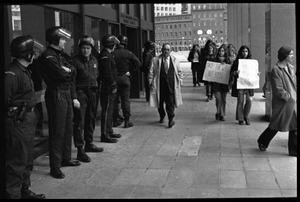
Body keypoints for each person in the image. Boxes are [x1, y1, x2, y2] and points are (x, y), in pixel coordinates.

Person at [5, 35, 45, 199]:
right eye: (33, 52)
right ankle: (13, 195)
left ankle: (24, 191)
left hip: (27, 120)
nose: (35, 55)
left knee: (27, 159)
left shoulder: (23, 70)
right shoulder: (12, 74)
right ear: (27, 54)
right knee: (16, 163)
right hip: (17, 122)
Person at [40, 26, 81, 179]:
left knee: (67, 128)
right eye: (63, 39)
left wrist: (67, 70)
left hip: (66, 92)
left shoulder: (60, 55)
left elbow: (73, 70)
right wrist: (67, 70)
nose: (65, 41)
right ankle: (55, 166)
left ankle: (66, 158)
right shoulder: (48, 56)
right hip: (56, 93)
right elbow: (60, 74)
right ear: (55, 40)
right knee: (57, 130)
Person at [257, 46, 297, 157]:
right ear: (285, 55)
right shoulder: (276, 70)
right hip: (283, 104)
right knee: (276, 125)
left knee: (295, 125)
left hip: (293, 102)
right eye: (291, 54)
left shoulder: (291, 68)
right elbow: (278, 89)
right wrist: (288, 97)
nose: (293, 56)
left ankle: (294, 150)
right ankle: (262, 141)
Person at [72, 35, 104, 163]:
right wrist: (74, 97)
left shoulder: (94, 60)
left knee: (91, 118)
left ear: (91, 49)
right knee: (80, 121)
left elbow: (97, 76)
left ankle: (89, 143)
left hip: (93, 92)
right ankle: (80, 149)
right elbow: (72, 81)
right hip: (81, 93)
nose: (86, 50)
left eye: (88, 48)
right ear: (80, 49)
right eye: (84, 48)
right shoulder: (75, 61)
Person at [148, 43, 183, 128]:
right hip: (159, 86)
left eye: (168, 50)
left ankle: (171, 120)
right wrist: (150, 82)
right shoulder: (155, 60)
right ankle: (162, 115)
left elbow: (179, 72)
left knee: (170, 103)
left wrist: (180, 81)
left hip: (171, 86)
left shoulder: (175, 60)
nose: (166, 51)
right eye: (164, 49)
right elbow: (151, 72)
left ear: (170, 51)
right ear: (161, 50)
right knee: (160, 103)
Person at [113, 35, 141, 128]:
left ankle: (115, 120)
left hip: (115, 78)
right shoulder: (129, 53)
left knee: (115, 100)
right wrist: (130, 71)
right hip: (125, 78)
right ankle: (127, 121)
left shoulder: (113, 53)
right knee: (125, 100)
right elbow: (138, 63)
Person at [98, 34, 121, 143]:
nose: (115, 47)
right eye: (114, 45)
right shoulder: (105, 56)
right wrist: (113, 85)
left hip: (110, 86)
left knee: (110, 109)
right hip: (108, 87)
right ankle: (105, 134)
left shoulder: (108, 54)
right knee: (107, 110)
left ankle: (109, 130)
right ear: (111, 45)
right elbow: (107, 73)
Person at [229, 45, 255, 125]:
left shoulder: (251, 62)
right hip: (240, 84)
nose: (245, 53)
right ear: (240, 52)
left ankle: (246, 116)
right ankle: (240, 118)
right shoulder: (237, 62)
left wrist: (257, 74)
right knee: (240, 101)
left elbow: (254, 72)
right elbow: (231, 73)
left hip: (249, 84)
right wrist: (235, 72)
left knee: (249, 100)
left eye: (246, 51)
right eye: (243, 51)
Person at [212, 44, 230, 121]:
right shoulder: (214, 60)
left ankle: (222, 114)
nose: (221, 52)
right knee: (218, 99)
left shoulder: (227, 61)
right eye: (220, 50)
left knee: (224, 99)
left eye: (222, 51)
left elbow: (230, 70)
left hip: (224, 83)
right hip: (216, 83)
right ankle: (218, 112)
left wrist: (226, 66)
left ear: (225, 52)